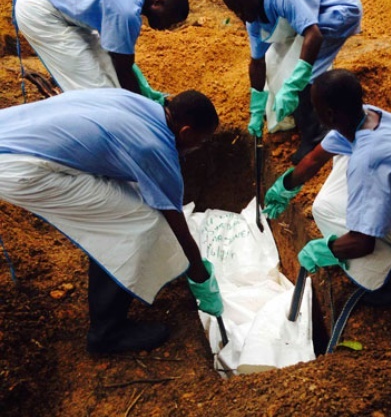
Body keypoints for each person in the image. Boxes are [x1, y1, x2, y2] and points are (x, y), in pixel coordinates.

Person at [0, 89, 223, 354]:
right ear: (185, 131)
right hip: (21, 167)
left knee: (127, 206)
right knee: (139, 225)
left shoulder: (145, 107)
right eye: (201, 140)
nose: (200, 146)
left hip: (12, 131)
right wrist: (199, 275)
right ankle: (107, 333)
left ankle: (116, 293)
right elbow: (174, 223)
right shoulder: (153, 148)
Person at [262, 69, 391, 306]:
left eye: (316, 108)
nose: (314, 113)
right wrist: (284, 187)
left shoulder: (367, 162)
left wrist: (327, 248)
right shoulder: (367, 116)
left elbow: (362, 243)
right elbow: (315, 158)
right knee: (341, 159)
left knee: (331, 211)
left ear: (330, 114)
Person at [221, 0, 363, 164]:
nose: (240, 15)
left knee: (304, 69)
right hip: (312, 22)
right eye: (234, 11)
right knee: (275, 61)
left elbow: (314, 35)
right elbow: (258, 62)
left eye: (241, 7)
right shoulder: (253, 19)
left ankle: (314, 135)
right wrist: (256, 106)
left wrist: (295, 83)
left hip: (338, 12)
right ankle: (296, 117)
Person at [13, 0, 189, 96]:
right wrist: (143, 107)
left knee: (106, 69)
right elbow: (123, 67)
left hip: (60, 9)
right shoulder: (127, 11)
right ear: (158, 3)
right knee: (94, 88)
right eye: (170, 19)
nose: (167, 27)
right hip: (40, 9)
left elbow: (116, 62)